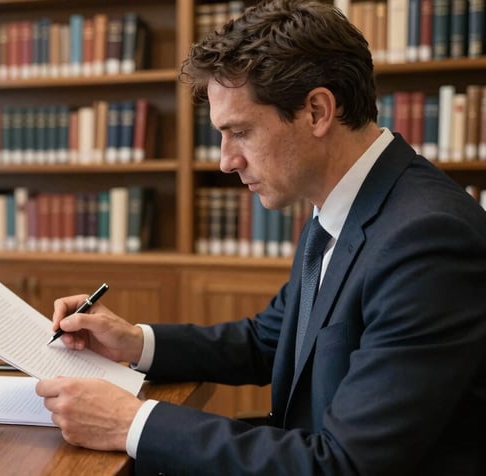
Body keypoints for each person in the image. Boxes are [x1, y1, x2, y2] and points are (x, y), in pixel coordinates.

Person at [35, 0, 486, 473]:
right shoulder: (346, 203)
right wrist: (134, 342)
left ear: (316, 111)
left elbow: (345, 465)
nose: (226, 161)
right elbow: (270, 340)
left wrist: (131, 422)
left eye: (241, 132)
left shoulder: (428, 241)